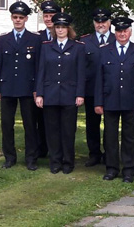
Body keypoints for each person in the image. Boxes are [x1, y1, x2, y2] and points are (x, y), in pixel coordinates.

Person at [95, 17, 134, 183]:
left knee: (129, 137)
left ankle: (129, 170)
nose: (122, 34)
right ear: (115, 32)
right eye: (119, 31)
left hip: (131, 101)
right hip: (110, 100)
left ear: (130, 32)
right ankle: (111, 168)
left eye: (125, 31)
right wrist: (98, 102)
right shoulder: (104, 51)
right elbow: (99, 79)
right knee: (110, 136)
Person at [0, 1, 42, 170]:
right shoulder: (3, 38)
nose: (18, 20)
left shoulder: (35, 39)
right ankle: (9, 157)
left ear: (26, 18)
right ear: (11, 18)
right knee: (7, 125)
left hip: (27, 88)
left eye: (21, 17)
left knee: (30, 125)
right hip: (7, 87)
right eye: (15, 17)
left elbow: (37, 67)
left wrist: (37, 89)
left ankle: (31, 158)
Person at [36, 12, 86, 174]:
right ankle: (55, 161)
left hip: (69, 95)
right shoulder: (46, 47)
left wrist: (80, 94)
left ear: (68, 29)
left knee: (68, 130)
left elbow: (81, 73)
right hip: (50, 94)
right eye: (57, 27)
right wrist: (40, 94)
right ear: (54, 29)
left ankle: (68, 162)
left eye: (63, 27)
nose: (60, 30)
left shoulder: (78, 47)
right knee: (52, 130)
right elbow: (41, 72)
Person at [79, 8, 115, 167]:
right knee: (92, 124)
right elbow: (80, 68)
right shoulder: (85, 41)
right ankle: (94, 154)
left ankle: (109, 153)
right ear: (94, 23)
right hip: (91, 89)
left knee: (110, 124)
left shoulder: (117, 39)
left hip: (111, 90)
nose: (101, 24)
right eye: (98, 22)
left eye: (104, 21)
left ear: (109, 23)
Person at [37, 0, 61, 157]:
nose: (48, 18)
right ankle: (43, 149)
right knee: (42, 119)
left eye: (51, 15)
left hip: (61, 85)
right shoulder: (36, 37)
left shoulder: (65, 35)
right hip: (44, 84)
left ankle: (61, 149)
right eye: (45, 15)